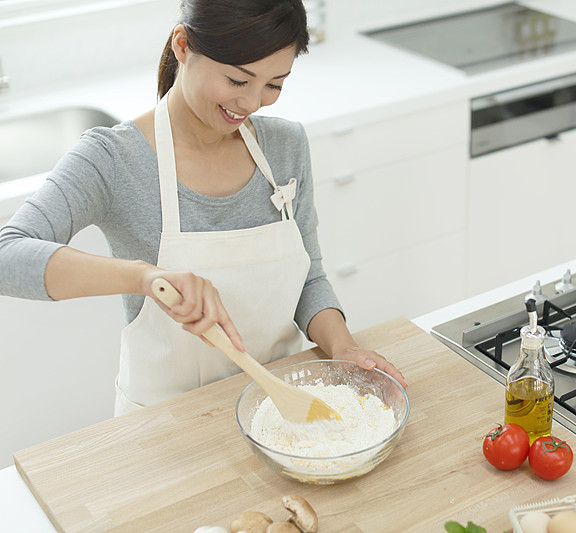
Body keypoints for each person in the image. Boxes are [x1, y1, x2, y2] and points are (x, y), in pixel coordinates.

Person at [0, 0, 407, 416]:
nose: (251, 103)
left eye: (274, 84)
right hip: (165, 429)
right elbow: (6, 255)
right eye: (237, 79)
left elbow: (308, 277)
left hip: (280, 413)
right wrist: (145, 277)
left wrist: (342, 346)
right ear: (182, 45)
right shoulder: (113, 159)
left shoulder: (285, 147)